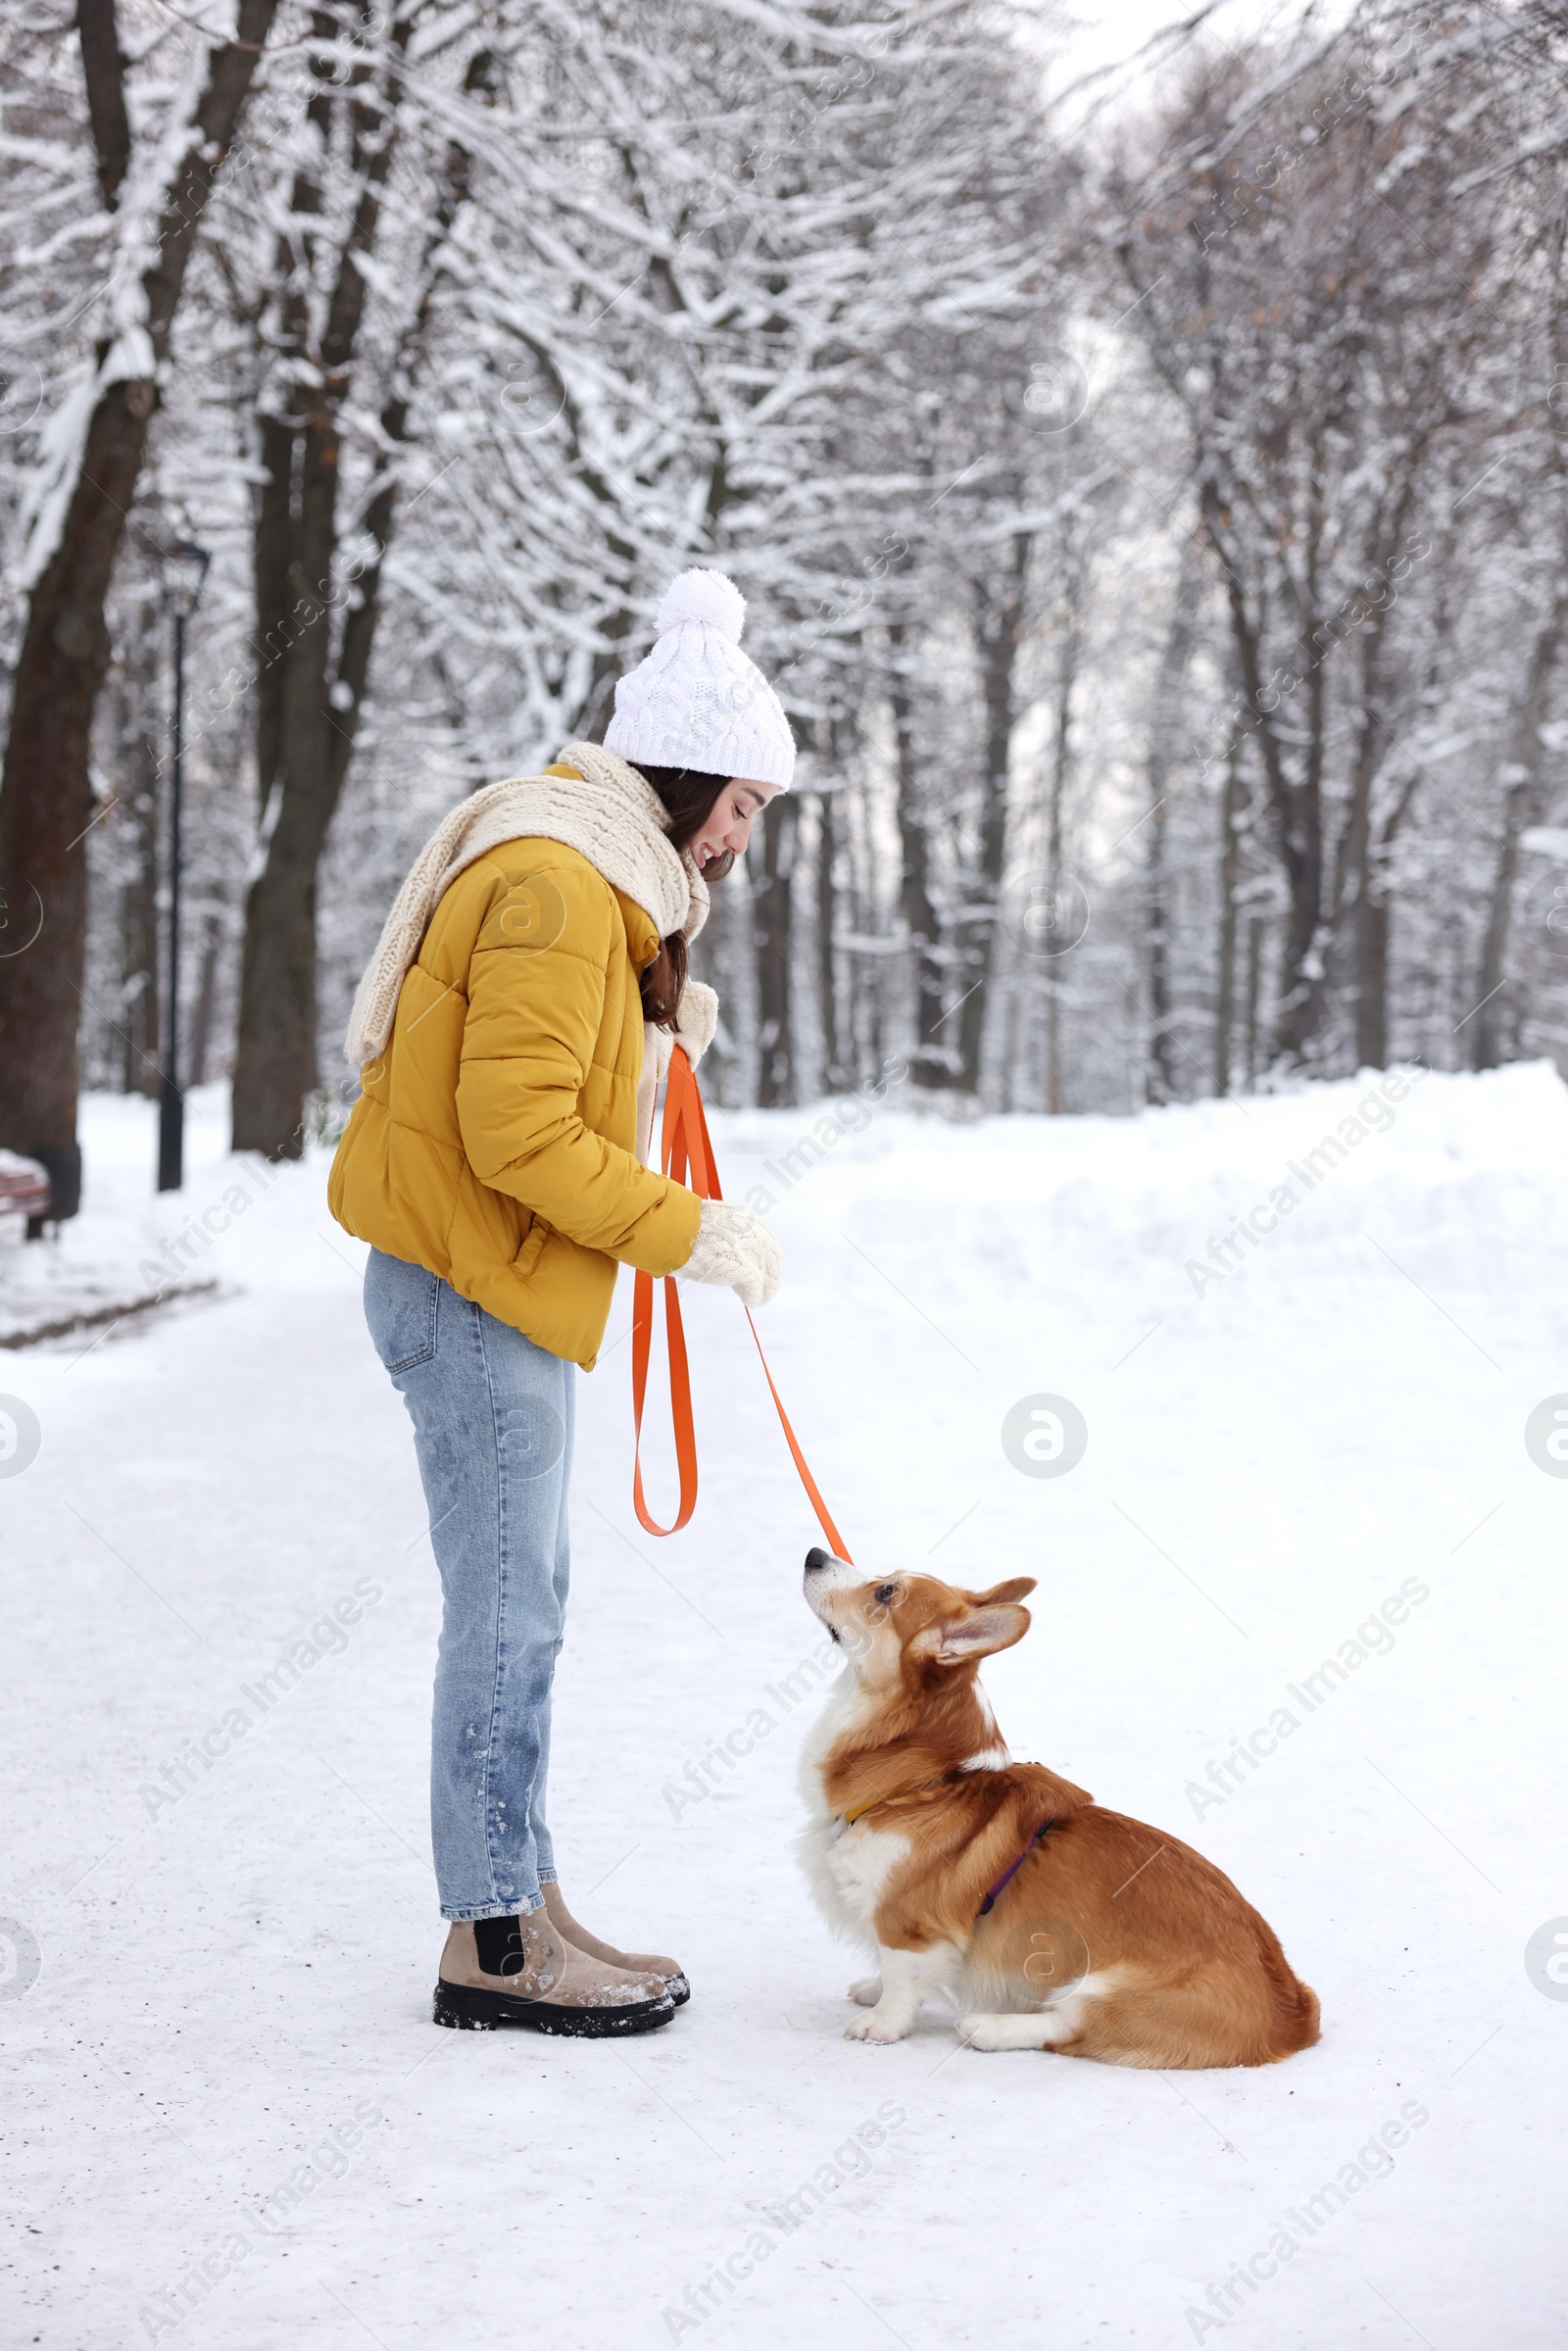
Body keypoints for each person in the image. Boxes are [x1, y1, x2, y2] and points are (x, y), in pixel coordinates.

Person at [328, 569, 791, 2035]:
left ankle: (518, 1895)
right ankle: (495, 1944)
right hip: (468, 1291)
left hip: (492, 1291)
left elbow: (536, 1088)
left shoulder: (589, 882)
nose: (742, 835)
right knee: (509, 1620)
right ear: (686, 774)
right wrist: (687, 1231)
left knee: (528, 1612)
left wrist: (644, 1032)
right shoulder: (550, 884)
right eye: (743, 804)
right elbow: (515, 1137)